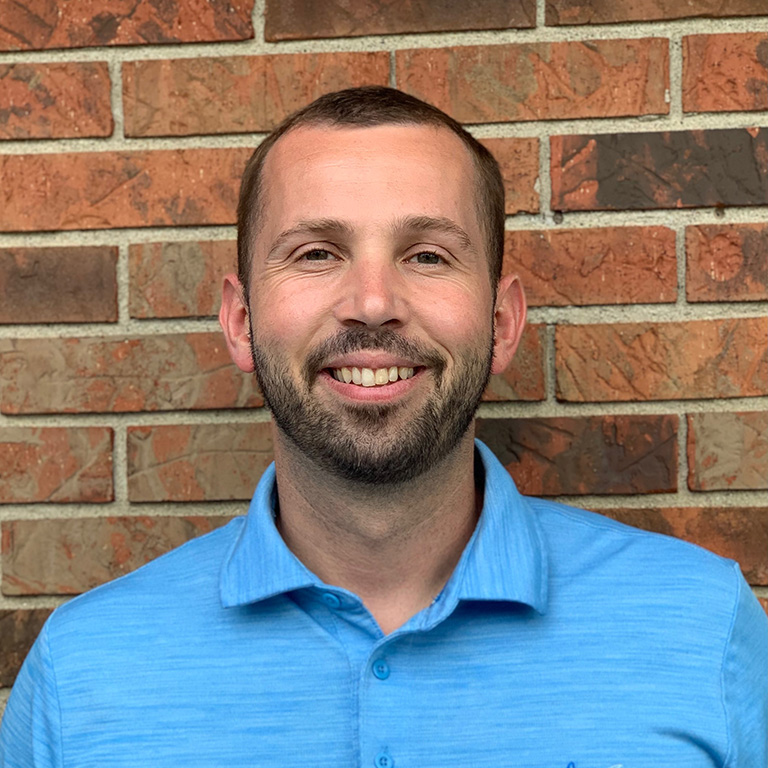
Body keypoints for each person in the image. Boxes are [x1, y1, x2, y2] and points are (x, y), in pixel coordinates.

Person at [1, 86, 765, 767]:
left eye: (427, 254)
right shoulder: (84, 672)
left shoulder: (702, 627)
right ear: (240, 322)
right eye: (316, 253)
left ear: (501, 324)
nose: (372, 301)